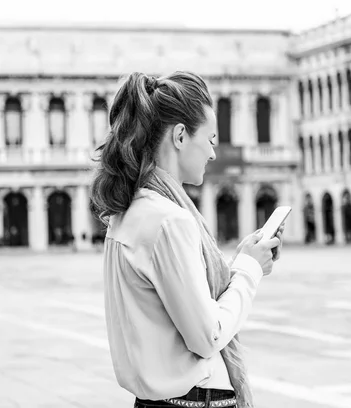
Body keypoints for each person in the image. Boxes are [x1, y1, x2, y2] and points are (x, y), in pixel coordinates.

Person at [91, 71, 283, 408]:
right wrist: (250, 272)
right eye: (210, 138)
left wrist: (238, 266)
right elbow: (208, 336)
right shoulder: (169, 220)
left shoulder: (127, 213)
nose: (212, 152)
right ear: (180, 136)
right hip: (195, 401)